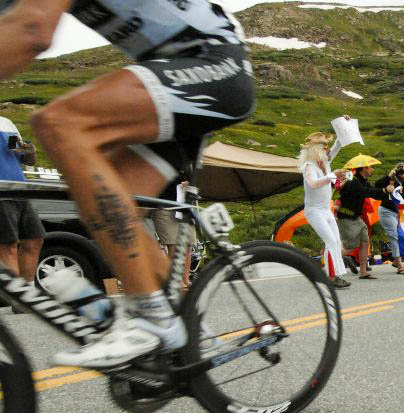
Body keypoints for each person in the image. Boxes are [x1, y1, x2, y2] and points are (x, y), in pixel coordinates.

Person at [0, 0, 255, 369]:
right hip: (178, 73)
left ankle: (151, 317)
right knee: (105, 202)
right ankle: (193, 331)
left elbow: (32, 31)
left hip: (214, 65)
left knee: (59, 123)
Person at [0, 115, 42, 311]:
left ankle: (28, 292)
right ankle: (19, 300)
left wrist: (29, 151)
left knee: (34, 239)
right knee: (7, 246)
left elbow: (28, 160)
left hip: (20, 190)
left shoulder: (7, 122)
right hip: (1, 192)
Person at [299, 131, 350, 289]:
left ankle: (335, 274)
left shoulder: (325, 162)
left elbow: (338, 146)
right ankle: (331, 277)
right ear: (317, 150)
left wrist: (343, 125)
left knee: (336, 242)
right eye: (325, 147)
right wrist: (332, 176)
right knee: (330, 241)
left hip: (325, 210)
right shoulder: (309, 166)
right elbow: (313, 183)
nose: (328, 150)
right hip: (314, 211)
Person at [338, 155, 393, 279]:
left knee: (364, 242)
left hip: (356, 218)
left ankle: (363, 271)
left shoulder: (362, 181)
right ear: (363, 168)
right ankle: (329, 260)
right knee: (349, 248)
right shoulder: (353, 182)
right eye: (371, 167)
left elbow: (373, 192)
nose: (372, 170)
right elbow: (367, 192)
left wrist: (387, 192)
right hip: (347, 217)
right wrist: (385, 190)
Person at [375, 162, 404, 275]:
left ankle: (396, 259)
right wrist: (390, 176)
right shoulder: (391, 179)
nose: (401, 173)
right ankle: (399, 263)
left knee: (403, 235)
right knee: (394, 236)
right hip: (387, 211)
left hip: (399, 213)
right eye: (400, 170)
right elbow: (377, 184)